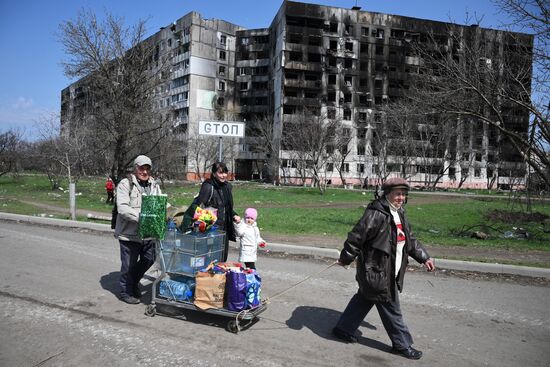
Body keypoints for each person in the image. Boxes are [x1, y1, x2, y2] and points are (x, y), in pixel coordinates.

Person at [332, 177, 435, 360]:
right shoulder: (376, 213)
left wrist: (424, 257)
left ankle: (343, 329)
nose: (401, 198)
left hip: (388, 270)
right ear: (387, 194)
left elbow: (409, 239)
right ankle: (402, 345)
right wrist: (346, 258)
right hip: (377, 272)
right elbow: (356, 237)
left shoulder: (399, 213)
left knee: (364, 298)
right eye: (397, 194)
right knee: (391, 307)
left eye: (404, 194)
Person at [114, 155, 162, 304]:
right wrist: (143, 217)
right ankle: (125, 292)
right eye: (142, 168)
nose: (145, 171)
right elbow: (122, 208)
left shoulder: (154, 184)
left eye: (147, 168)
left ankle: (133, 282)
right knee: (129, 265)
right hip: (129, 233)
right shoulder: (125, 184)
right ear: (135, 168)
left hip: (148, 233)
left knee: (150, 258)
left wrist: (173, 213)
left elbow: (161, 202)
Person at [196, 162, 239, 262]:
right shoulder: (208, 186)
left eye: (225, 173)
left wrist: (233, 215)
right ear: (214, 174)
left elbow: (225, 206)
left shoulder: (227, 187)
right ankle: (206, 276)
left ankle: (219, 277)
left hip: (225, 228)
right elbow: (199, 206)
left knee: (222, 257)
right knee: (209, 257)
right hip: (211, 228)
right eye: (220, 173)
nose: (223, 175)